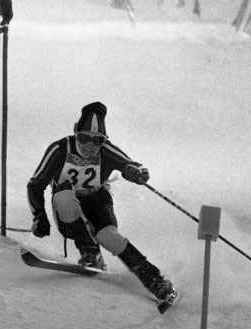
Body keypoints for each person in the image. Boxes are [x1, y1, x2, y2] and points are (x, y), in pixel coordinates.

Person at [26, 101, 175, 302]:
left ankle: (156, 281)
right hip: (68, 209)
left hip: (96, 201)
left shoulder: (105, 150)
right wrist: (39, 216)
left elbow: (128, 164)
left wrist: (136, 172)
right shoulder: (61, 149)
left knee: (108, 236)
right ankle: (90, 252)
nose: (90, 146)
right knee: (63, 198)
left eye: (97, 140)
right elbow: (35, 185)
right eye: (84, 138)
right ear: (76, 133)